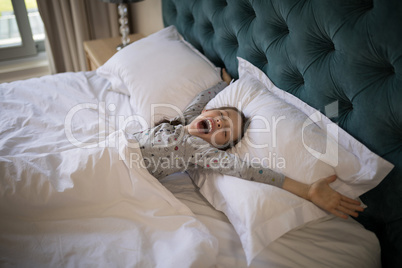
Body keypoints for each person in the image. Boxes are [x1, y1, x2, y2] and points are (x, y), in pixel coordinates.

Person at [127, 69, 364, 220]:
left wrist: (308, 191)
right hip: (119, 148)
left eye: (226, 132)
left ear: (219, 148)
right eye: (220, 115)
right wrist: (225, 84)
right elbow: (201, 100)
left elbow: (247, 170)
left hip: (127, 170)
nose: (220, 122)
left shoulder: (197, 150)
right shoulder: (186, 121)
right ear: (206, 113)